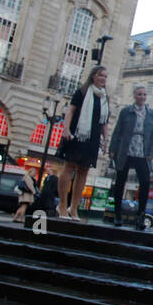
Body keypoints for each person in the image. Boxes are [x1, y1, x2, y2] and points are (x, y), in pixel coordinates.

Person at [57, 66, 110, 220]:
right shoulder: (82, 92)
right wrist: (66, 128)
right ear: (93, 76)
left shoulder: (105, 98)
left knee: (83, 171)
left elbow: (104, 121)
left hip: (93, 137)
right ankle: (62, 206)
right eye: (101, 75)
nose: (103, 79)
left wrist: (105, 140)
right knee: (69, 166)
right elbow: (71, 110)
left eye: (105, 76)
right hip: (77, 132)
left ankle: (74, 208)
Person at [108, 84, 153, 228]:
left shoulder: (151, 113)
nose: (142, 97)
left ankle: (140, 216)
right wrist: (113, 149)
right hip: (126, 149)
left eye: (144, 95)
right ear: (134, 96)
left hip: (142, 151)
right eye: (139, 94)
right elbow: (118, 130)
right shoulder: (126, 112)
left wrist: (152, 152)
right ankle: (117, 214)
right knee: (120, 182)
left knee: (145, 182)